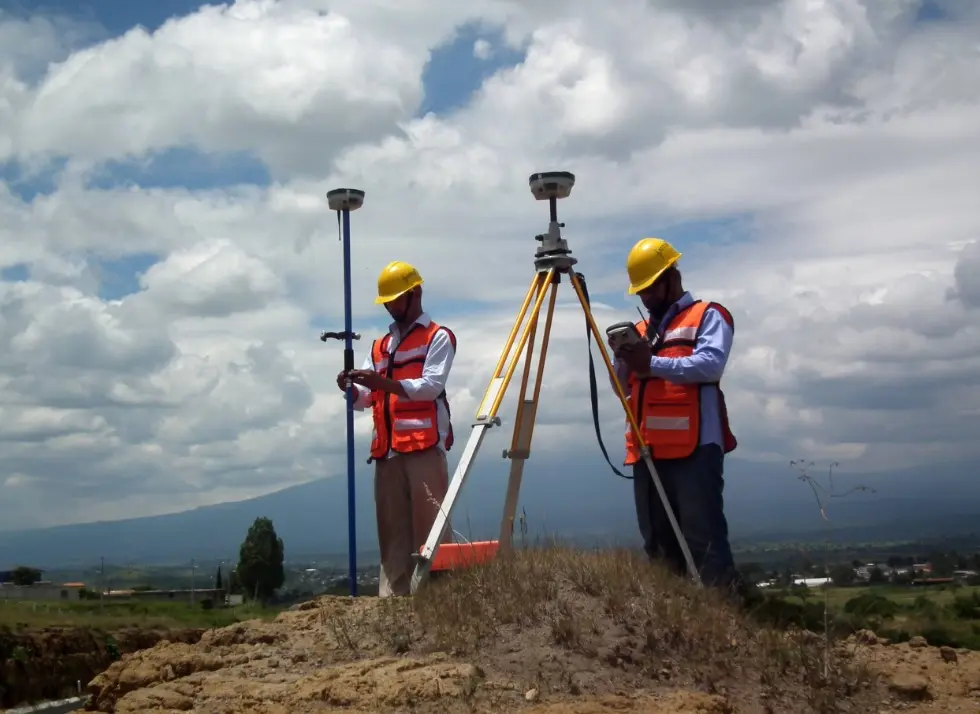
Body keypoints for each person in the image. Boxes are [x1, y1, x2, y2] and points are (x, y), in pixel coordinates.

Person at [609, 237, 740, 592]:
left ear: (671, 277)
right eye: (641, 292)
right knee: (659, 546)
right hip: (648, 451)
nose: (645, 298)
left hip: (694, 447)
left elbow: (711, 366)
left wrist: (651, 363)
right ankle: (677, 626)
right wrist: (622, 360)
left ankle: (724, 621)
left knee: (704, 542)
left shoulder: (709, 315)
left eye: (650, 289)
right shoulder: (640, 331)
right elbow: (623, 388)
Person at [336, 260, 456, 597]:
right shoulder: (379, 346)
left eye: (395, 299)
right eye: (386, 301)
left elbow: (431, 386)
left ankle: (438, 598)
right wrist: (351, 389)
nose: (390, 307)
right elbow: (364, 400)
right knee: (392, 534)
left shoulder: (438, 337)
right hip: (387, 453)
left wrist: (382, 384)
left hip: (423, 449)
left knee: (430, 530)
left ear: (414, 294)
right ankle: (395, 601)